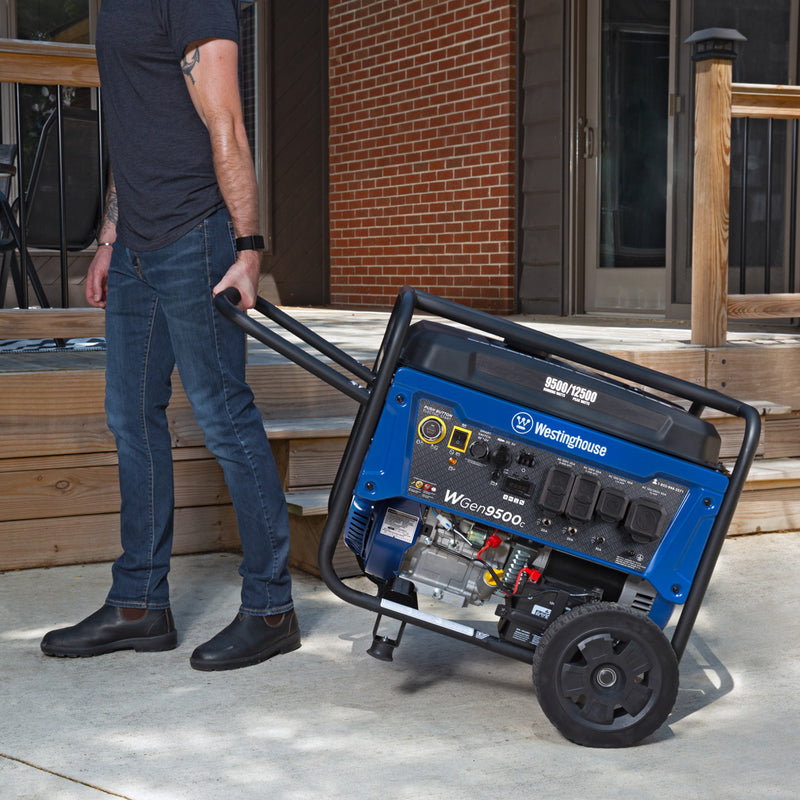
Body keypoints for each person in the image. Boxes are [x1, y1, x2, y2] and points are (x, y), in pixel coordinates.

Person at [40, 0, 299, 671]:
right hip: (136, 246)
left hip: (196, 234)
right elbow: (134, 123)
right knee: (130, 416)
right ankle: (139, 605)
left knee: (223, 417)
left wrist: (247, 247)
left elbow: (227, 122)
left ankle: (271, 608)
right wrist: (111, 232)